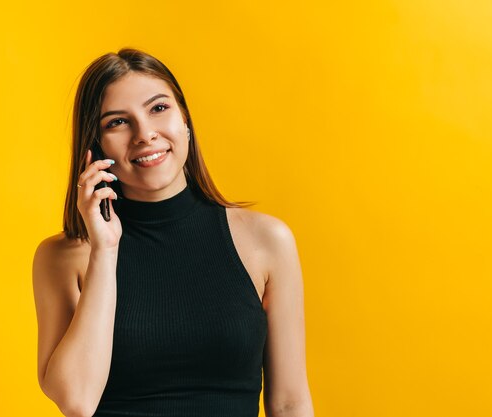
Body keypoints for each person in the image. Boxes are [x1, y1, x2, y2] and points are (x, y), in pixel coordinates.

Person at [32, 48, 314, 417]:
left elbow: (290, 403)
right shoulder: (64, 257)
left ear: (185, 120)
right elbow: (77, 401)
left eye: (159, 108)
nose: (145, 134)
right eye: (117, 122)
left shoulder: (266, 241)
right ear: (95, 145)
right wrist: (105, 249)